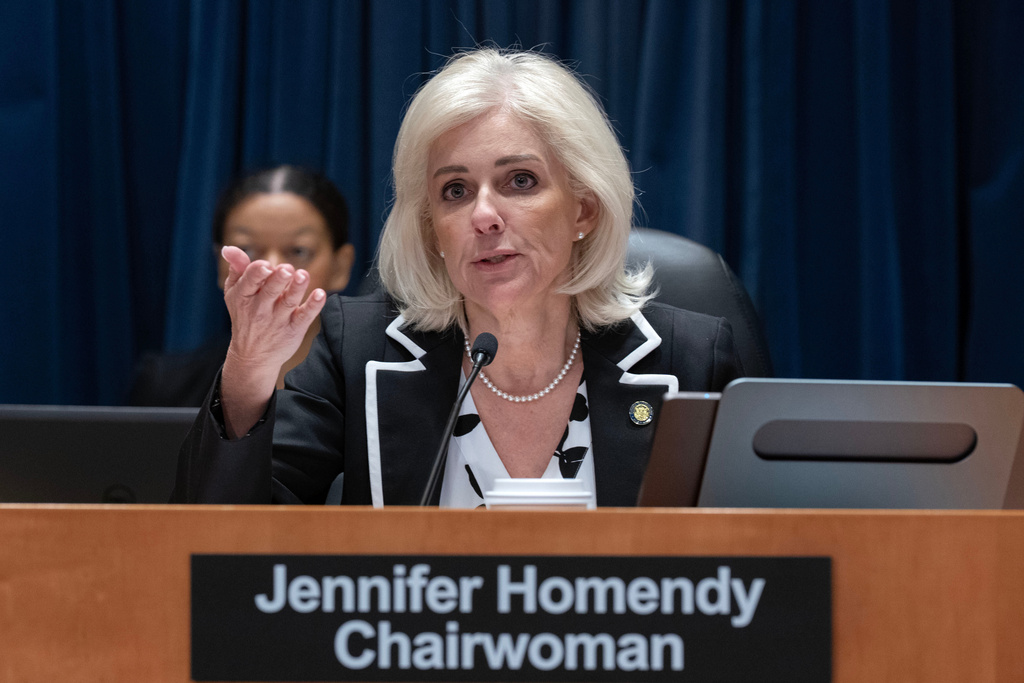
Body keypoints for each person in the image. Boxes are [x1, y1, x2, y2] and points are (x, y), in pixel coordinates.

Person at [172, 48, 743, 507]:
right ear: (431, 231)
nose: (484, 215)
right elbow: (223, 552)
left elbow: (766, 571)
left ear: (584, 209)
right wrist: (248, 372)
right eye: (455, 190)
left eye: (520, 180)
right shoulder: (357, 353)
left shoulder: (689, 359)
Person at [128, 165, 354, 406]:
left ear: (340, 266)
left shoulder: (370, 385)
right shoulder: (165, 387)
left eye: (298, 251)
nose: (271, 269)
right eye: (246, 250)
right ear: (220, 263)